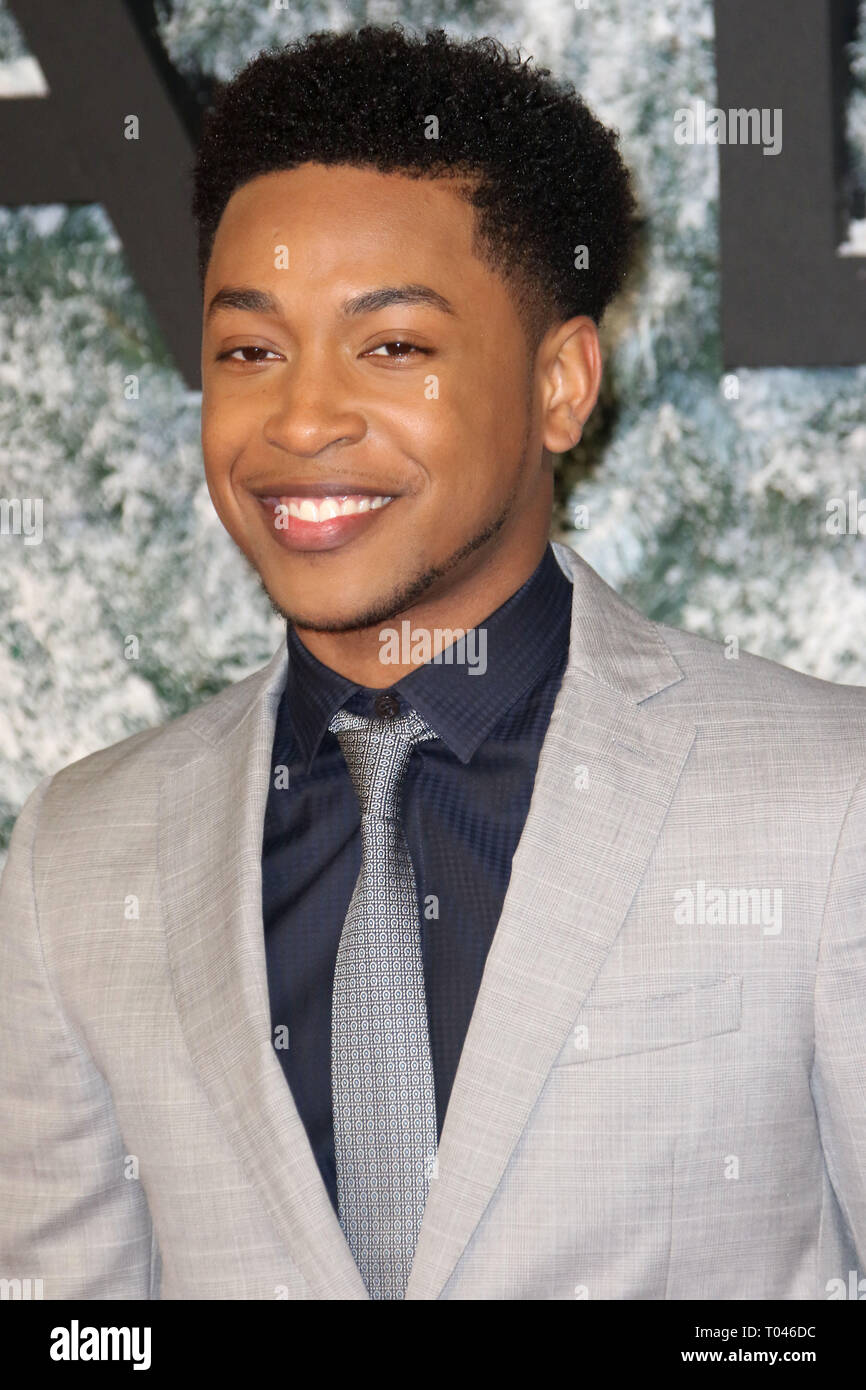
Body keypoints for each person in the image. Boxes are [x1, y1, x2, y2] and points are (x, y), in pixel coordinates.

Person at [1, 24, 863, 1302]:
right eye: (250, 351)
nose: (300, 419)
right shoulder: (80, 852)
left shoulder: (827, 797)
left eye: (391, 345)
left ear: (560, 385)